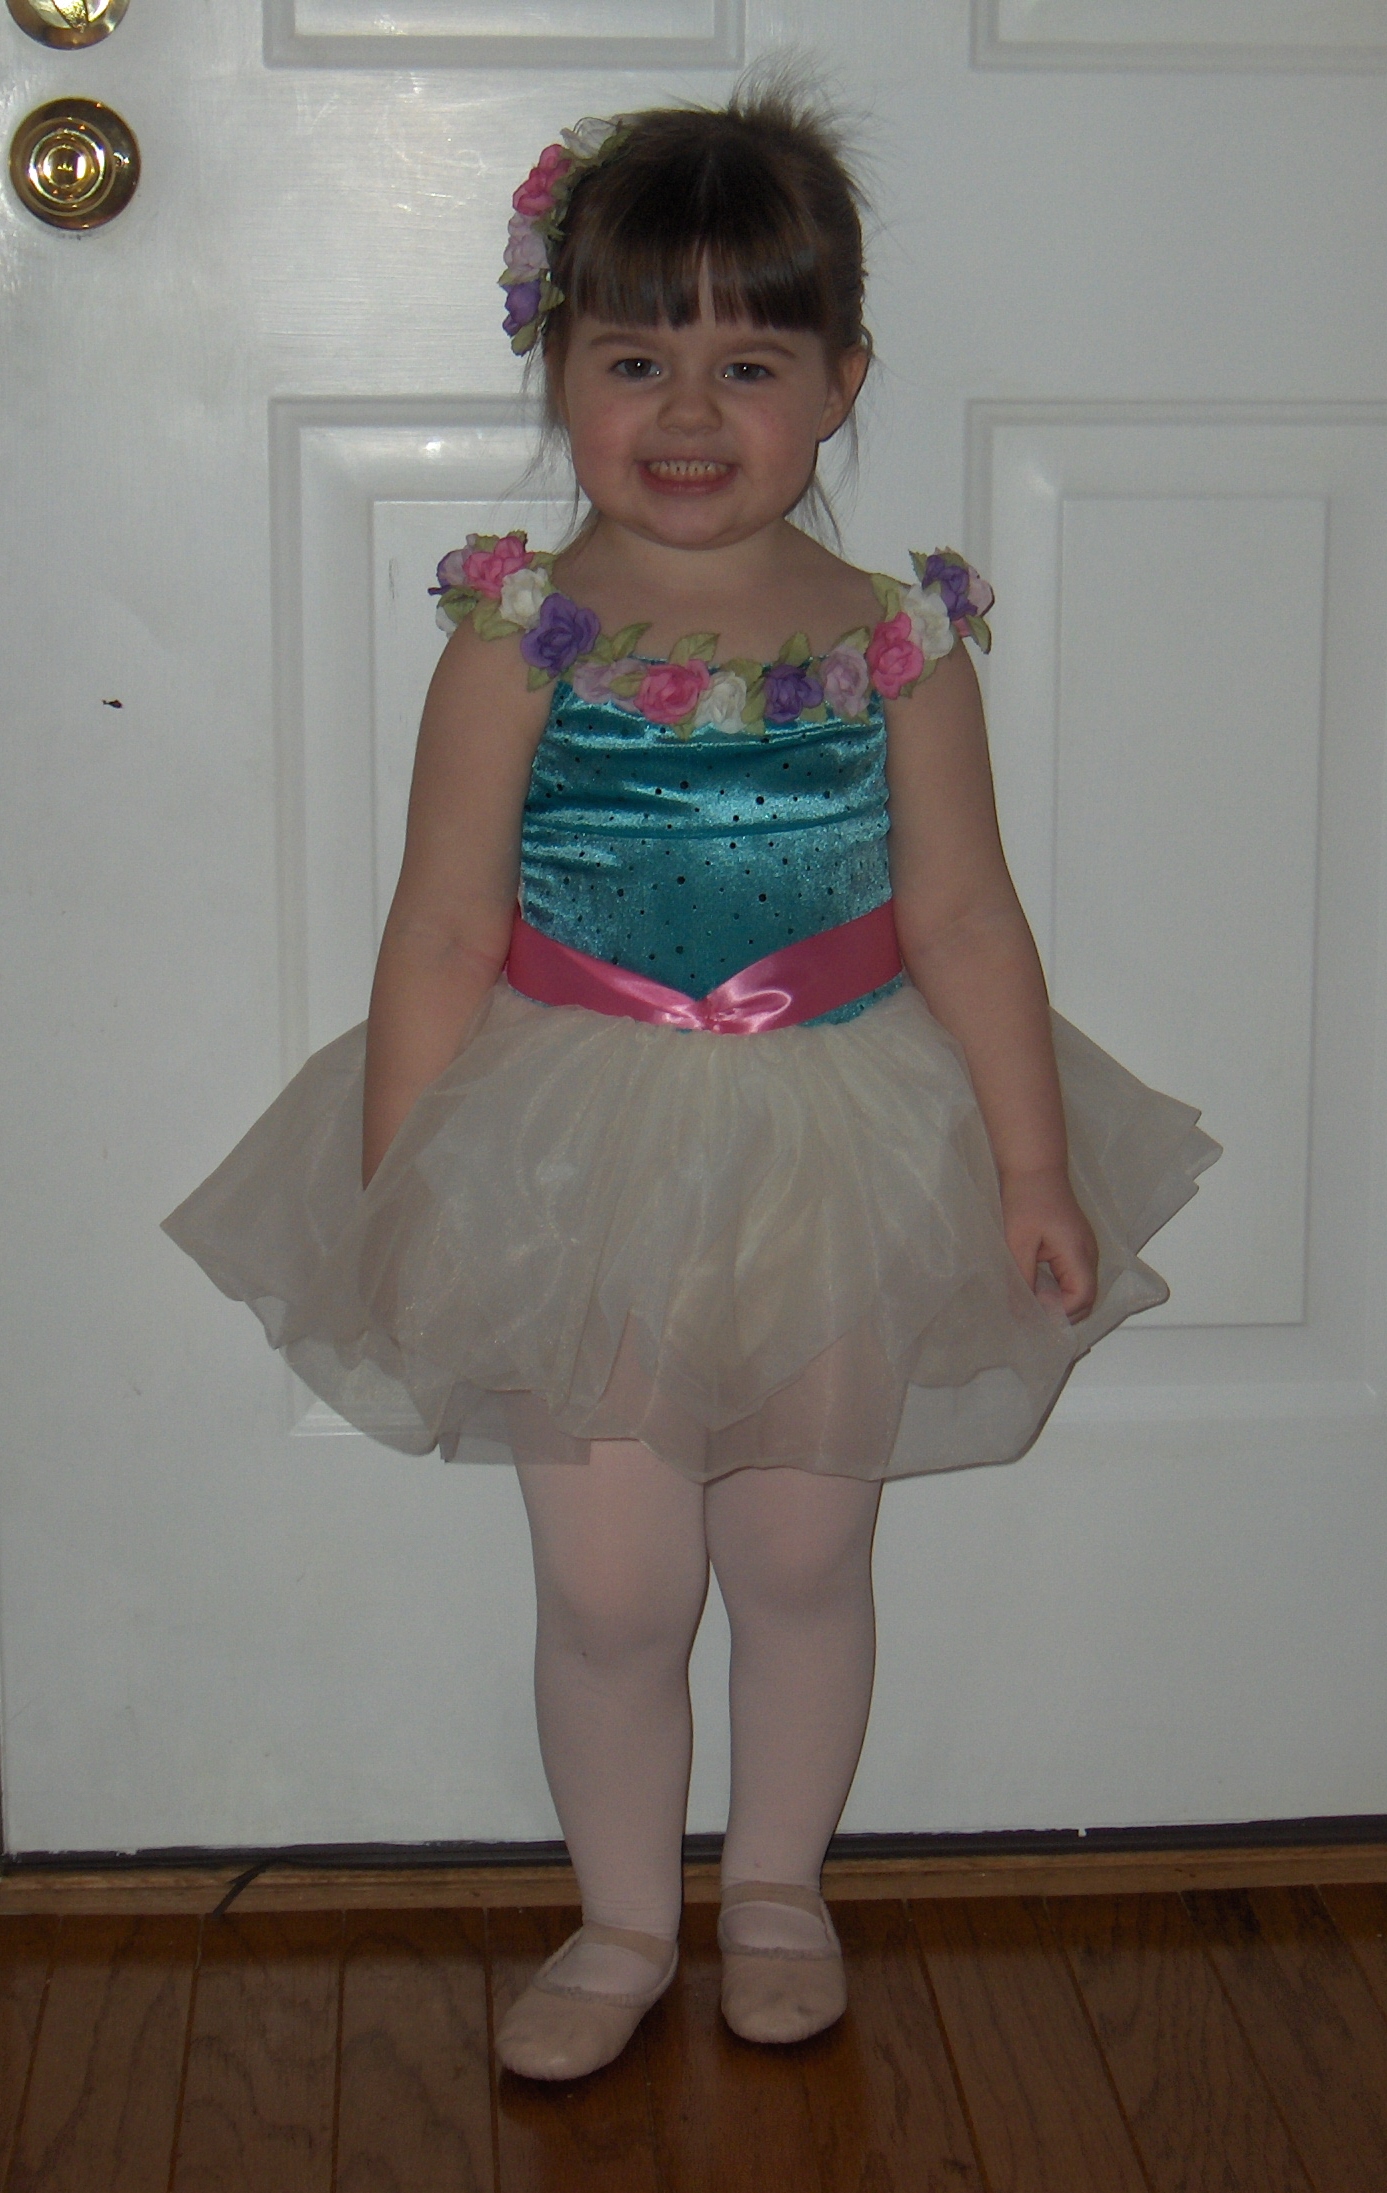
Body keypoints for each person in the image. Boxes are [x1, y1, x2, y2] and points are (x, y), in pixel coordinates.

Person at [165, 86, 1217, 2080]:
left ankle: (780, 1885)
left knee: (806, 1555)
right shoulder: (520, 641)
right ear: (557, 368)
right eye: (635, 358)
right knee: (612, 1584)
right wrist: (404, 1187)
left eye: (749, 364)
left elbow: (965, 917)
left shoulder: (898, 643)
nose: (687, 412)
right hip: (571, 1150)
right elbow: (442, 932)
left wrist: (1030, 1162)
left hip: (840, 1138)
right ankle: (625, 1912)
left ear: (840, 387)